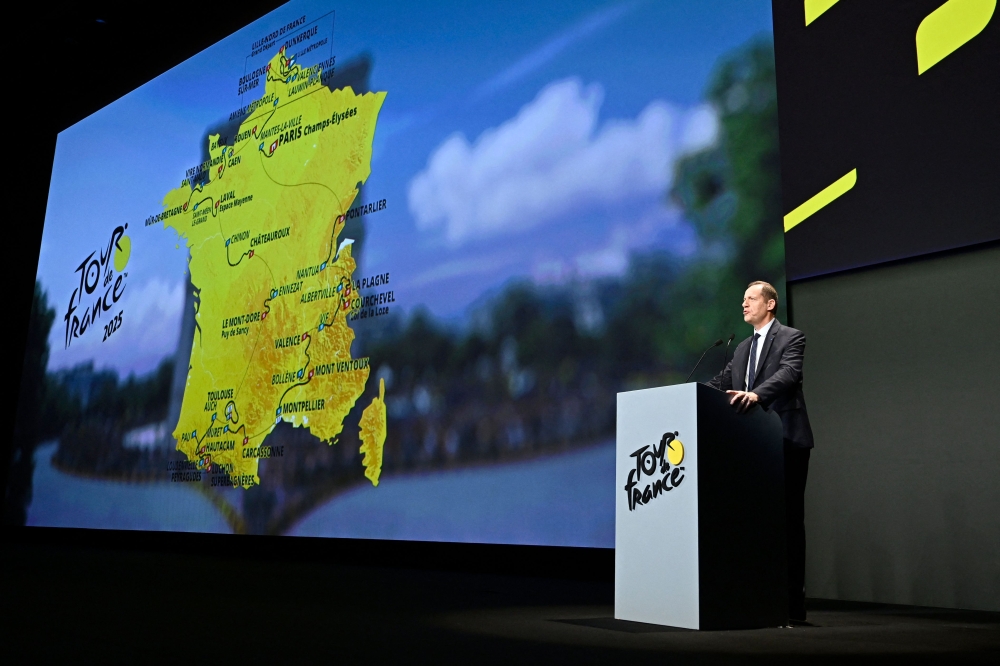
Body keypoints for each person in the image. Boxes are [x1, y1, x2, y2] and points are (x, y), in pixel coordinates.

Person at [709, 280, 814, 624]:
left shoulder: (791, 337)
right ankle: (759, 603)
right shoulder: (740, 349)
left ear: (770, 305)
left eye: (751, 298)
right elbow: (722, 382)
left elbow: (789, 374)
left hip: (785, 439)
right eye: (743, 299)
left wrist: (756, 395)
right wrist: (683, 394)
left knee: (787, 523)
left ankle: (793, 608)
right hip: (752, 447)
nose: (744, 304)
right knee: (755, 525)